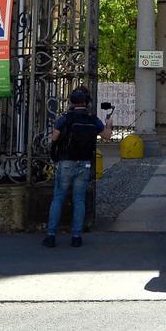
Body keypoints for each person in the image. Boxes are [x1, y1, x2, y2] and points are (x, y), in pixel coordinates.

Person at [44, 87, 112, 248]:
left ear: (71, 101)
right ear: (86, 102)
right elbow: (107, 136)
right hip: (85, 162)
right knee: (79, 200)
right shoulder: (92, 119)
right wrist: (109, 124)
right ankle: (76, 237)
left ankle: (51, 236)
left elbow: (54, 137)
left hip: (66, 162)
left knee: (58, 198)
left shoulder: (65, 118)